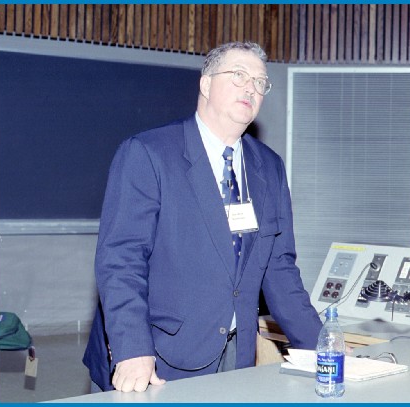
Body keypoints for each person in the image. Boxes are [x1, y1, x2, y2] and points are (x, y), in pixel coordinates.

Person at [83, 41, 323, 392]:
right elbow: (121, 259)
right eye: (239, 75)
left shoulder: (269, 167)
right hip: (157, 355)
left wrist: (322, 346)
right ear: (206, 83)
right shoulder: (148, 153)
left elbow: (280, 269)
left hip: (237, 355)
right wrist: (132, 349)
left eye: (260, 82)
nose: (251, 88)